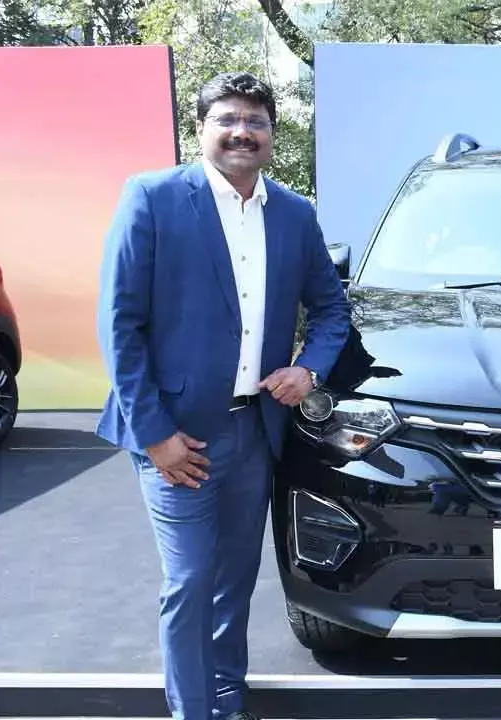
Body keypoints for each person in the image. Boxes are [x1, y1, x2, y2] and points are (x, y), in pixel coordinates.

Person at [95, 71, 352, 720]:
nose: (243, 131)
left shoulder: (294, 213)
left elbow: (330, 312)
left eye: (257, 122)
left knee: (234, 585)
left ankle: (227, 703)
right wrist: (155, 435)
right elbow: (119, 324)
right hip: (174, 434)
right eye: (228, 119)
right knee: (189, 583)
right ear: (201, 128)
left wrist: (309, 370)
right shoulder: (151, 198)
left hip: (252, 434)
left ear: (271, 134)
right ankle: (193, 713)